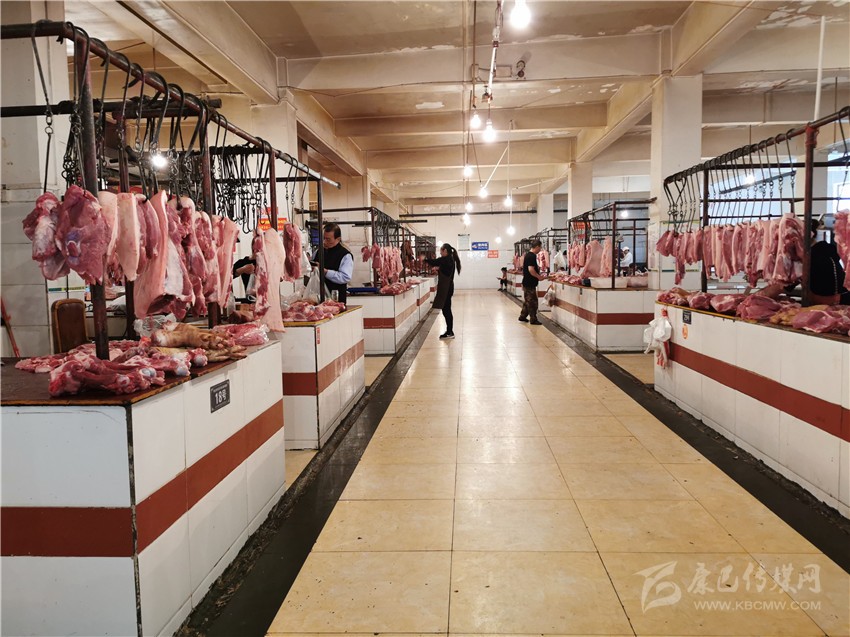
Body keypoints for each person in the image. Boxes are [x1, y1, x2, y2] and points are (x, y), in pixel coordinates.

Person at [425, 243, 462, 339]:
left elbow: (435, 262)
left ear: (445, 250)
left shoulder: (447, 259)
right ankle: (449, 331)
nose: (440, 253)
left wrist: (424, 259)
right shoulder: (449, 259)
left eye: (441, 251)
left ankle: (450, 332)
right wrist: (438, 269)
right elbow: (443, 268)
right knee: (446, 310)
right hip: (447, 288)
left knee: (446, 310)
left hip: (447, 289)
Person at [314, 222, 353, 304]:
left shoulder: (345, 255)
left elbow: (345, 277)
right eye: (324, 238)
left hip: (336, 300)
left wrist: (325, 272)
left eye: (328, 239)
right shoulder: (318, 252)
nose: (325, 242)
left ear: (338, 239)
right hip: (318, 298)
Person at [519, 239, 545, 325]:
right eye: (540, 248)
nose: (540, 249)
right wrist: (539, 277)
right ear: (537, 247)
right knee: (533, 302)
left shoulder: (528, 255)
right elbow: (531, 269)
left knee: (528, 301)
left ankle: (522, 316)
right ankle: (533, 319)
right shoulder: (531, 256)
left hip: (527, 282)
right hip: (529, 283)